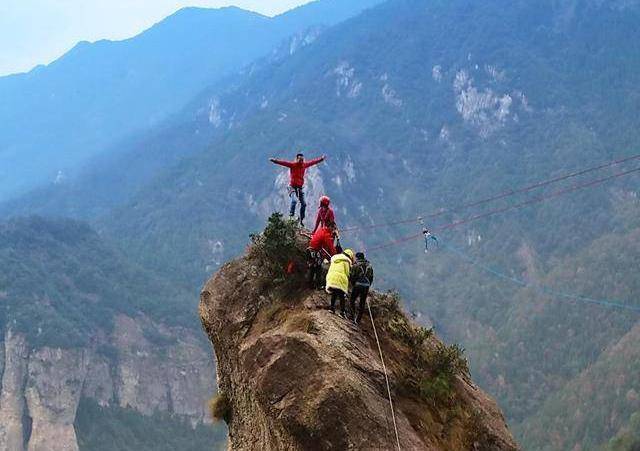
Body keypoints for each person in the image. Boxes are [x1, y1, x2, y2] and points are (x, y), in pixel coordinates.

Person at [269, 153, 326, 226]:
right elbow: (283, 163)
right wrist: (275, 161)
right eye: (300, 159)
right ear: (297, 159)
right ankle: (291, 216)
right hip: (292, 187)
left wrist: (321, 159)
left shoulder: (304, 165)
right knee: (294, 200)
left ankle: (302, 219)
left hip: (299, 188)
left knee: (304, 204)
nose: (301, 161)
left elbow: (313, 162)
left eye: (302, 159)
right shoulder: (293, 165)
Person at [307, 221, 338, 289]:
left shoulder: (321, 229)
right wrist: (336, 257)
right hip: (315, 252)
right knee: (318, 268)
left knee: (312, 268)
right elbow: (331, 247)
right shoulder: (326, 234)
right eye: (333, 228)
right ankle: (318, 285)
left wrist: (331, 234)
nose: (333, 230)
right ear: (330, 227)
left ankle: (310, 284)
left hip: (310, 250)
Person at [325, 249, 355, 318]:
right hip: (340, 279)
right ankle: (342, 312)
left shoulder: (334, 258)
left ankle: (331, 308)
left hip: (331, 277)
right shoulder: (346, 261)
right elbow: (347, 273)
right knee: (341, 296)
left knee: (334, 294)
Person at [349, 252, 374, 324]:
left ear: (357, 257)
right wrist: (368, 285)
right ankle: (358, 320)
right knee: (362, 303)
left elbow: (352, 276)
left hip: (357, 285)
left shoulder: (356, 265)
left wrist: (353, 284)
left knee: (352, 300)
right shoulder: (369, 266)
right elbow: (371, 277)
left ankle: (352, 315)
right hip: (366, 286)